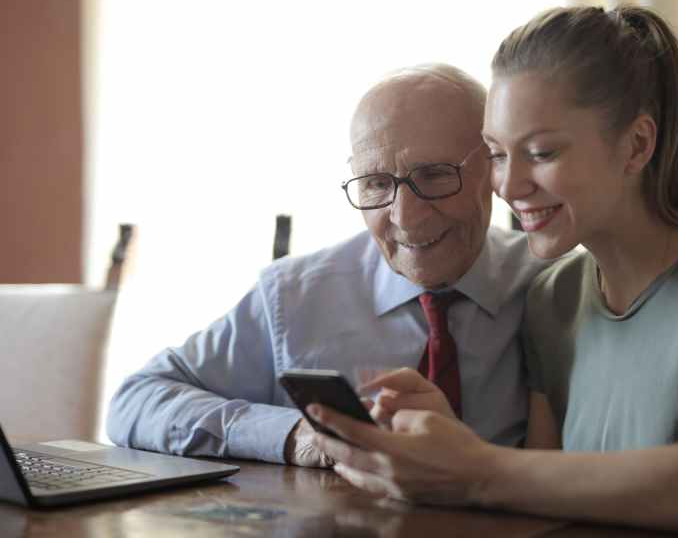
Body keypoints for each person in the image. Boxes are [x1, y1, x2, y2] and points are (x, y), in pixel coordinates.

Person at [309, 6, 678, 535]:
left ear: (637, 144)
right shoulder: (552, 298)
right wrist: (451, 448)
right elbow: (541, 502)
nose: (509, 186)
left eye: (541, 152)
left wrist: (476, 467)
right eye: (497, 154)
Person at [106, 63, 548, 467]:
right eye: (376, 183)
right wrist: (292, 434)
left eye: (434, 175)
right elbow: (135, 401)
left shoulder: (555, 287)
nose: (405, 217)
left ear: (494, 168)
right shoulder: (294, 296)